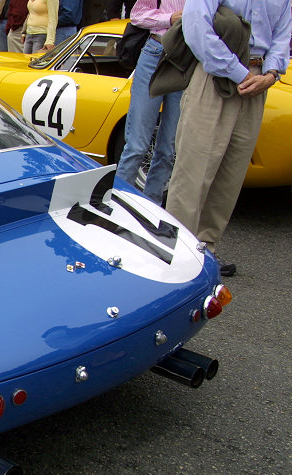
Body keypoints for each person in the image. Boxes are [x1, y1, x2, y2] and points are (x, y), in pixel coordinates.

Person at [165, 0, 291, 276]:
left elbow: (283, 33)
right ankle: (175, 252)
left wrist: (271, 74)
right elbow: (197, 28)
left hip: (258, 79)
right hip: (214, 75)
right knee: (194, 170)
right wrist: (240, 72)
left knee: (230, 174)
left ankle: (205, 249)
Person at [113, 0, 184, 205]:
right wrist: (169, 18)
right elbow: (137, 14)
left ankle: (152, 207)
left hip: (185, 58)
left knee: (168, 148)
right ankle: (116, 205)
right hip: (156, 49)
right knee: (137, 144)